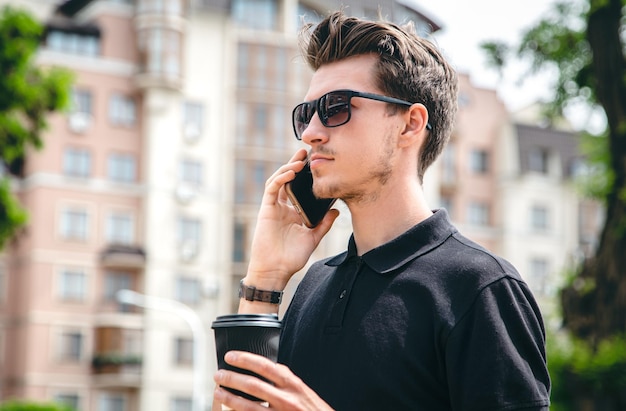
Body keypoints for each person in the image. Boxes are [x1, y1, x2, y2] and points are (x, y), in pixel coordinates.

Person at [213, 10, 551, 411]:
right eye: (306, 114)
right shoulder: (313, 284)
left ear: (410, 124)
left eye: (336, 107)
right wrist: (264, 281)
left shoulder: (481, 288)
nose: (311, 133)